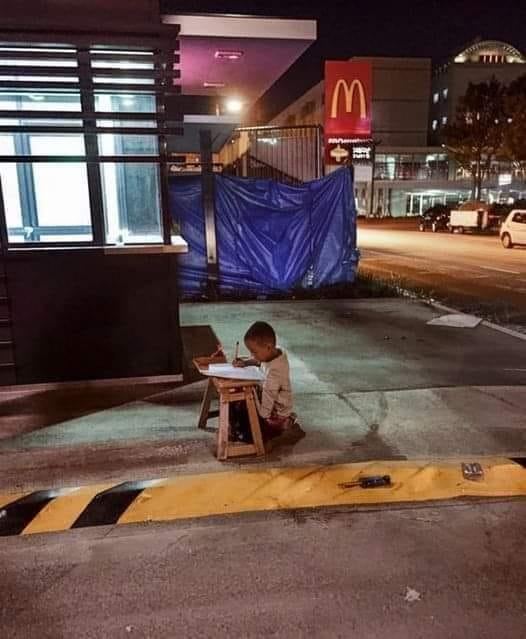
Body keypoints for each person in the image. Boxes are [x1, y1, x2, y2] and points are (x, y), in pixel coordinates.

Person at [231, 321, 301, 444]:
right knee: (243, 405)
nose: (252, 355)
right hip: (270, 402)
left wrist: (259, 419)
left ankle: (278, 426)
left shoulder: (275, 373)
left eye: (254, 352)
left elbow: (268, 399)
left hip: (275, 414)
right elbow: (260, 361)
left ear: (268, 347)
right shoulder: (275, 352)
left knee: (245, 412)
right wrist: (245, 363)